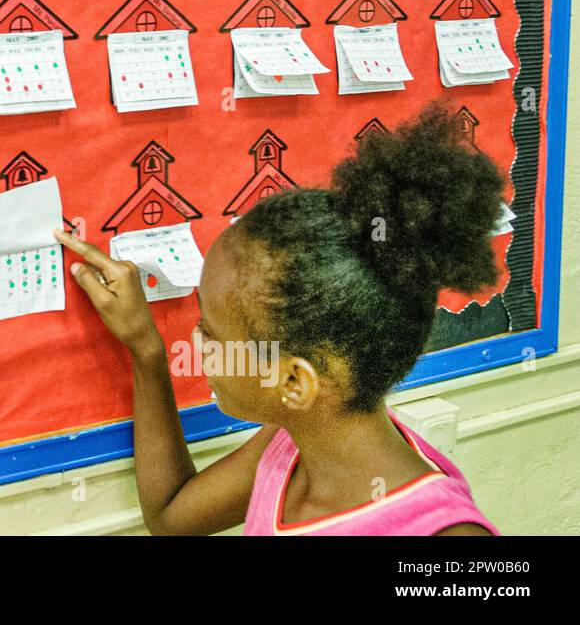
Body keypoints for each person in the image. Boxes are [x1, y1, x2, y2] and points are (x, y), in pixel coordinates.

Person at [56, 105, 503, 536]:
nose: (194, 343)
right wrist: (145, 349)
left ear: (294, 381)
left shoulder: (443, 534)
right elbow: (173, 517)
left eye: (210, 333)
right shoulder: (291, 446)